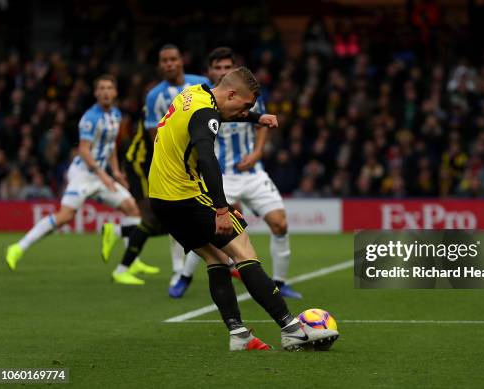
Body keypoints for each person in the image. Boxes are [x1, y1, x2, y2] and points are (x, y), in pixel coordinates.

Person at [149, 66, 338, 350]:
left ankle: (238, 334)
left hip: (161, 198)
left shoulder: (193, 94)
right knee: (244, 251)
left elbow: (219, 115)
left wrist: (255, 117)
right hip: (184, 194)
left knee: (216, 259)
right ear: (232, 93)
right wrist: (221, 210)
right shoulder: (206, 113)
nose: (245, 110)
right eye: (246, 105)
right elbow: (207, 158)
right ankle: (291, 329)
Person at [169, 47, 302, 299]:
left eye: (226, 67)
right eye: (217, 67)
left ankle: (281, 282)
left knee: (280, 223)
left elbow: (259, 120)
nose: (222, 71)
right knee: (210, 229)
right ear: (209, 71)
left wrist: (257, 152)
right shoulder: (205, 100)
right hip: (220, 175)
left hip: (252, 173)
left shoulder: (245, 96)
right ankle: (184, 277)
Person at [5, 75, 153, 281]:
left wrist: (116, 172)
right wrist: (104, 175)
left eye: (109, 88)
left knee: (133, 209)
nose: (105, 92)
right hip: (83, 174)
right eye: (101, 88)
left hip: (101, 175)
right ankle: (18, 248)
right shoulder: (90, 118)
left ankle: (130, 261)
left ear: (115, 92)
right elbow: (83, 151)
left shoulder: (116, 115)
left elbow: (110, 147)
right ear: (95, 93)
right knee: (65, 216)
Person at [100, 44, 211, 285]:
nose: (169, 64)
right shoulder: (153, 96)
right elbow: (155, 138)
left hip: (187, 162)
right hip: (143, 161)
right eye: (164, 60)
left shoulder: (201, 83)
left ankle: (120, 235)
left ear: (182, 60)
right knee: (155, 216)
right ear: (160, 65)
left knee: (168, 217)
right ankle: (132, 269)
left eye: (173, 59)